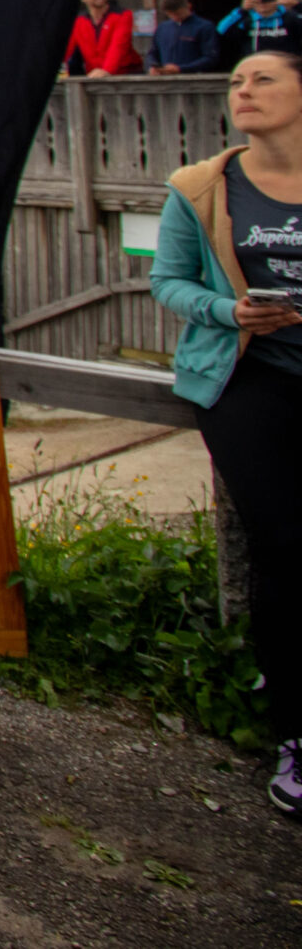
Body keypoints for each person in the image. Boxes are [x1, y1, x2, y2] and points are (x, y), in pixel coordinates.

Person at [148, 49, 302, 815]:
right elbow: (168, 281)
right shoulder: (201, 186)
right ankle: (295, 728)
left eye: (263, 78)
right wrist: (228, 310)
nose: (244, 89)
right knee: (286, 548)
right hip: (249, 382)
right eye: (236, 80)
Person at [64, 0, 138, 77]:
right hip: (94, 74)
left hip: (124, 73)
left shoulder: (122, 15)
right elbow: (67, 47)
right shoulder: (78, 21)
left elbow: (119, 45)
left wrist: (106, 70)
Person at [218, 0, 297, 66]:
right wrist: (241, 10)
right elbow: (221, 31)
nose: (262, 2)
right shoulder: (246, 20)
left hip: (285, 66)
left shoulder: (290, 17)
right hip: (254, 66)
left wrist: (296, 5)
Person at [148, 0, 220, 74]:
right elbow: (153, 53)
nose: (174, 17)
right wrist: (153, 66)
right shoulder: (162, 28)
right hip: (166, 78)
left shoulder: (205, 27)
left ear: (188, 6)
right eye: (170, 14)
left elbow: (211, 58)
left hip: (195, 78)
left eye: (178, 13)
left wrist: (181, 68)